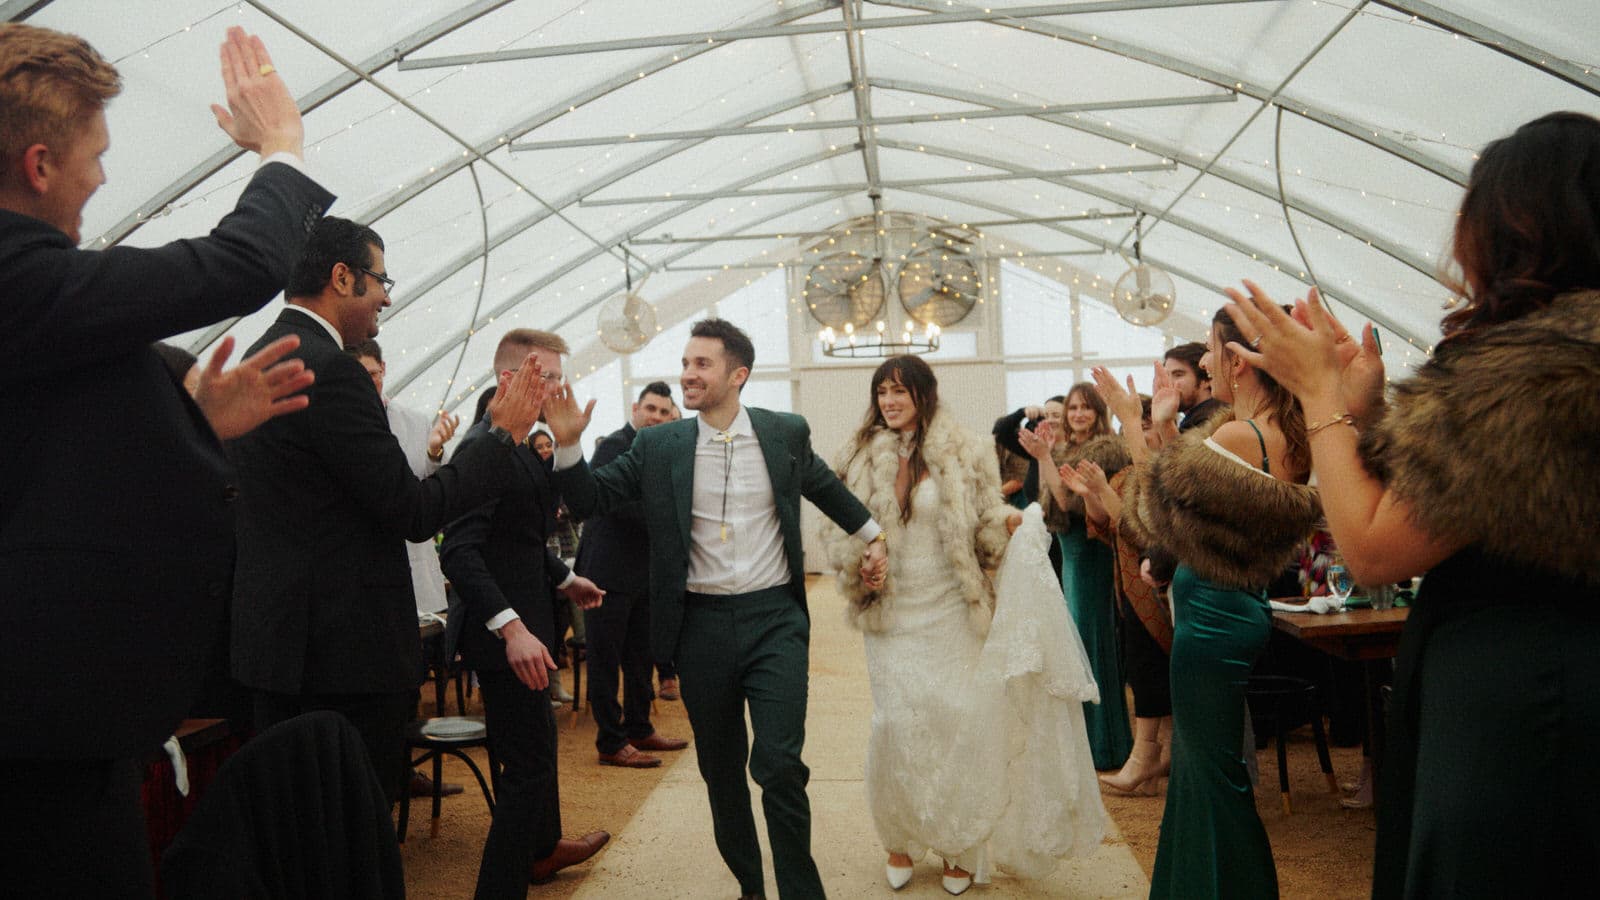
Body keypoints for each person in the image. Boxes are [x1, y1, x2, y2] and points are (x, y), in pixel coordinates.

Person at [1227, 111, 1600, 898]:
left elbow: (1372, 551)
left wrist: (1319, 393)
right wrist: (1363, 414)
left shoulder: (1539, 373)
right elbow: (1460, 499)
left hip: (1526, 688)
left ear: (1514, 226)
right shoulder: (1559, 359)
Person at [0, 23, 331, 896]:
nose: (104, 178)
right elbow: (234, 265)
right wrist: (282, 149)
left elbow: (47, 466)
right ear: (39, 166)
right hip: (34, 737)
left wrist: (190, 424)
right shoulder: (18, 277)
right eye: (96, 156)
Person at [544, 318, 886, 900]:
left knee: (779, 765)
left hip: (774, 620)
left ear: (738, 375)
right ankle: (751, 888)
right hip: (698, 627)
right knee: (722, 772)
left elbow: (824, 487)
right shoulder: (659, 445)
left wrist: (874, 536)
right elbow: (591, 499)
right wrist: (571, 446)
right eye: (685, 363)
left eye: (701, 364)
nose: (686, 375)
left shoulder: (784, 432)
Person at [229, 217, 548, 805]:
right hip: (341, 660)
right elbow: (413, 510)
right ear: (342, 277)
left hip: (278, 650)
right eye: (381, 279)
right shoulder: (331, 374)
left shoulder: (260, 357)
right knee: (347, 835)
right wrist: (498, 437)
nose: (388, 296)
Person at [821, 355, 1106, 894]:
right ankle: (899, 837)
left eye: (900, 391)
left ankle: (958, 842)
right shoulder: (856, 455)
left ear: (924, 394)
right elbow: (839, 528)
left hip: (952, 607)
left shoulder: (966, 449)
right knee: (894, 724)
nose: (889, 401)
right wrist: (860, 563)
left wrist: (1011, 523)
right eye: (882, 391)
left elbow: (983, 519)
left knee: (955, 720)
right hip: (893, 612)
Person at [1119, 309, 1321, 899]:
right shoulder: (1282, 436)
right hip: (1234, 613)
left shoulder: (1239, 437)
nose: (1204, 362)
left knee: (1211, 777)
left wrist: (1144, 423)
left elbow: (1151, 514)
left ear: (1238, 361)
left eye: (1209, 350)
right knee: (1207, 773)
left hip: (1209, 623)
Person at [441, 328, 611, 898]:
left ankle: (542, 849)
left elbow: (521, 538)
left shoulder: (520, 441)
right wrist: (512, 629)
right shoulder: (482, 448)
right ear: (510, 380)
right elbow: (459, 551)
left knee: (538, 749)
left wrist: (566, 578)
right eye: (550, 378)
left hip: (531, 620)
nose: (560, 389)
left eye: (561, 377)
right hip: (502, 636)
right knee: (527, 767)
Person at [1019, 382, 1133, 772]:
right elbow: (1049, 499)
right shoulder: (1068, 448)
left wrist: (1049, 459)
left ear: (1098, 412)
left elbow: (1073, 504)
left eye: (1086, 408)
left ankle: (1105, 744)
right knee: (1074, 645)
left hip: (1091, 551)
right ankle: (1086, 741)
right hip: (1068, 552)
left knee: (1091, 644)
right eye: (1073, 408)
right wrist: (1045, 456)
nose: (1078, 414)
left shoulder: (1106, 450)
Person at [576, 381, 690, 768]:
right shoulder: (613, 446)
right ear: (635, 408)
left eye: (663, 411)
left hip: (643, 572)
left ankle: (640, 727)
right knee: (605, 660)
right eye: (651, 409)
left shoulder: (662, 450)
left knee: (642, 656)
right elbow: (616, 502)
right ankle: (610, 741)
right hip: (605, 573)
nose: (657, 416)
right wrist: (670, 518)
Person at [1072, 380, 1174, 797]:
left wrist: (1100, 495)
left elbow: (1136, 528)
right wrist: (1092, 494)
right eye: (1138, 426)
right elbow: (1103, 526)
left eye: (1147, 426)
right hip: (1128, 584)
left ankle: (1146, 758)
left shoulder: (1164, 472)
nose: (1142, 434)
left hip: (1156, 584)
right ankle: (1158, 757)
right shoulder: (1127, 473)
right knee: (1146, 670)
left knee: (1152, 672)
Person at [1163, 342, 1223, 433]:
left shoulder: (1209, 423)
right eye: (1166, 376)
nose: (1169, 383)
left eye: (1178, 375)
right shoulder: (1194, 419)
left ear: (1206, 380)